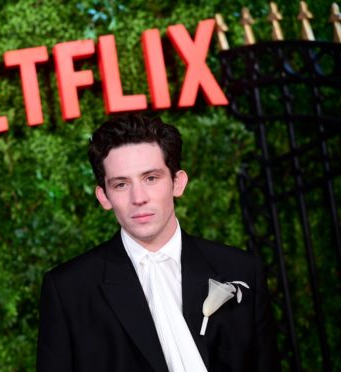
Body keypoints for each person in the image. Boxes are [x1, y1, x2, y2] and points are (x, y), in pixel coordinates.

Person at [37, 114, 279, 372]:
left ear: (178, 183)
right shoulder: (68, 290)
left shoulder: (241, 269)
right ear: (104, 197)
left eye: (151, 178)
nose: (138, 197)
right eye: (121, 184)